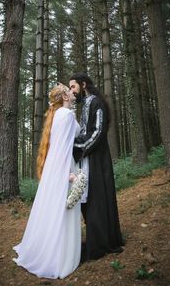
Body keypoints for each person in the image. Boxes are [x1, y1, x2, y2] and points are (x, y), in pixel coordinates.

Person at [13, 83, 81, 279]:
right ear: (65, 97)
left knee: (53, 207)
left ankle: (47, 247)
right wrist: (71, 174)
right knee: (64, 208)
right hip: (64, 167)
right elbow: (66, 146)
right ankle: (60, 257)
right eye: (69, 90)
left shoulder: (59, 114)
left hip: (55, 166)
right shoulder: (66, 115)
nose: (72, 90)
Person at [69, 73, 124, 262]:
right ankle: (96, 240)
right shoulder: (85, 104)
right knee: (89, 201)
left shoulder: (96, 103)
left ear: (83, 85)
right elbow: (85, 131)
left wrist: (77, 147)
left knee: (98, 199)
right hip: (88, 159)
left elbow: (98, 132)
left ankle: (102, 243)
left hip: (98, 160)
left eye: (73, 87)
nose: (71, 91)